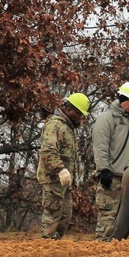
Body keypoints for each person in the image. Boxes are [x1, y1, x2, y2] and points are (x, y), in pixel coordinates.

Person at [90, 81, 129, 240]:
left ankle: (117, 250)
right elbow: (100, 145)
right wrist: (103, 169)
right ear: (120, 98)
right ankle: (102, 248)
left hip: (128, 178)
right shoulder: (106, 119)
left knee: (123, 219)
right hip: (111, 176)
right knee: (108, 217)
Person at [36, 93, 90, 239]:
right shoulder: (55, 125)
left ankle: (55, 246)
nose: (80, 118)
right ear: (69, 109)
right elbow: (48, 151)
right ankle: (46, 246)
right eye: (79, 114)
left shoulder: (68, 127)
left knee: (65, 216)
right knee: (53, 215)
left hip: (65, 181)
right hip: (53, 179)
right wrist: (60, 169)